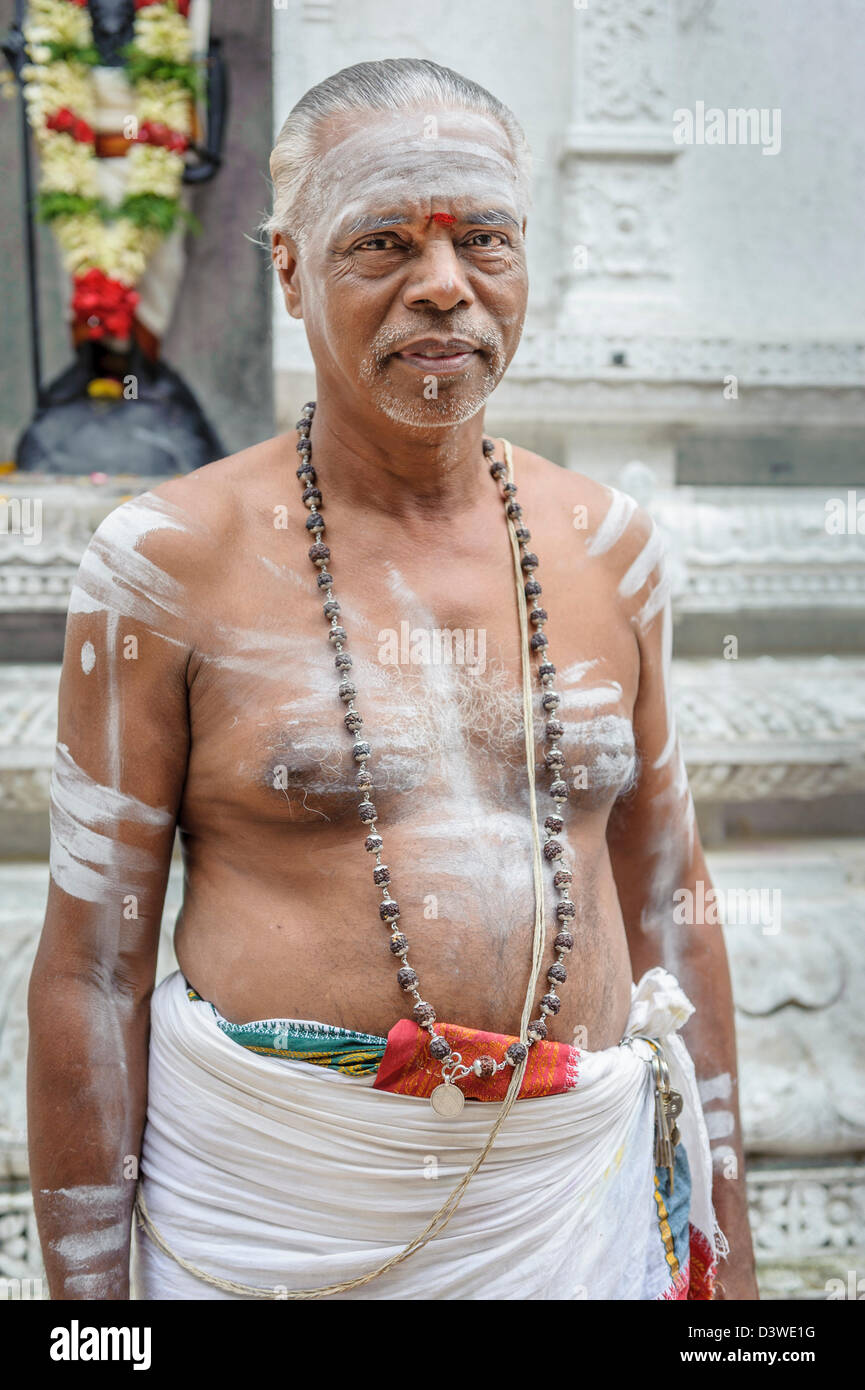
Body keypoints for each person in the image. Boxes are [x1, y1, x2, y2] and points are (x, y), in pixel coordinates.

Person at [28, 58, 757, 1300]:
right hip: (277, 1219)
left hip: (571, 1212)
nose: (443, 286)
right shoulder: (164, 565)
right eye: (382, 243)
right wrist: (91, 1319)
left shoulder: (611, 549)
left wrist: (726, 1273)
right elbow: (93, 967)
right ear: (290, 268)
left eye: (484, 239)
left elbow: (667, 902)